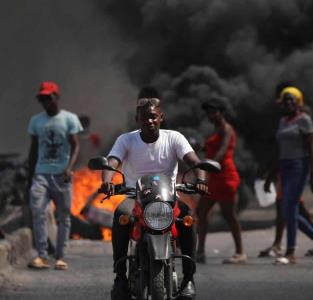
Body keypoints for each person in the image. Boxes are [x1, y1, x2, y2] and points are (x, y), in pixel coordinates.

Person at [101, 86, 207, 300]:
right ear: (137, 119)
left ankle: (188, 279)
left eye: (153, 117)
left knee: (188, 220)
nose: (149, 121)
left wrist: (201, 180)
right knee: (120, 216)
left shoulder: (174, 138)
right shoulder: (126, 140)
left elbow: (194, 161)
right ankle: (120, 277)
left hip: (168, 198)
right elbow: (112, 161)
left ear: (161, 117)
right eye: (144, 118)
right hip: (135, 197)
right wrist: (107, 180)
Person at [258, 84, 313, 259]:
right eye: (285, 100)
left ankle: (290, 251)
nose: (288, 102)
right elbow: (280, 151)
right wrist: (270, 176)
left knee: (289, 208)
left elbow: (312, 148)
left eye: (292, 99)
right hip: (284, 167)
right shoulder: (282, 122)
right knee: (288, 210)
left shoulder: (304, 120)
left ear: (298, 102)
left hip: (299, 166)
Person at [27, 81, 82, 270]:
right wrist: (29, 176)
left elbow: (76, 146)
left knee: (64, 217)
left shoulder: (69, 119)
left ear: (56, 97)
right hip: (41, 174)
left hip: (62, 175)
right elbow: (33, 150)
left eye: (48, 98)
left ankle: (60, 257)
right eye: (42, 98)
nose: (45, 102)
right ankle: (41, 255)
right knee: (38, 211)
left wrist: (70, 167)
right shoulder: (36, 121)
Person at [196, 97, 246, 264]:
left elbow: (223, 149)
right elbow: (210, 148)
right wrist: (200, 148)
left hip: (225, 177)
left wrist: (210, 163)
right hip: (213, 177)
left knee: (229, 215)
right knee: (201, 212)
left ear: (221, 112)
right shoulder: (216, 129)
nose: (210, 115)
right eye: (208, 112)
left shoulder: (226, 129)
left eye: (213, 111)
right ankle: (200, 252)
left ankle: (240, 253)